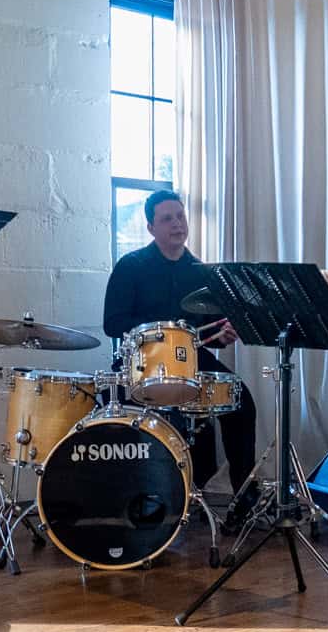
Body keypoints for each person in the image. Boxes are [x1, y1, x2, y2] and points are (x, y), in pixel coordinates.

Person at [102, 191, 259, 523]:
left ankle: (243, 498)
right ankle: (143, 494)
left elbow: (209, 329)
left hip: (190, 360)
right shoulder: (131, 266)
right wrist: (161, 329)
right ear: (151, 227)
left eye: (180, 216)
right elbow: (112, 323)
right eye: (167, 219)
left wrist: (223, 335)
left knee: (241, 402)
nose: (177, 224)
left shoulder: (200, 271)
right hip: (141, 361)